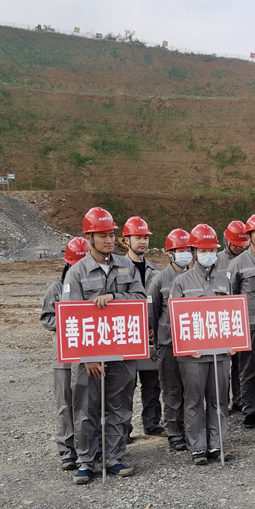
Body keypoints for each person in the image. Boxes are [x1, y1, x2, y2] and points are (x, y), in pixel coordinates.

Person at [62, 207, 146, 483]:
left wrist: (114, 297)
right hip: (90, 354)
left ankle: (114, 458)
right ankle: (86, 461)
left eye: (111, 234)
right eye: (103, 235)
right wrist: (87, 356)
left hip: (122, 349)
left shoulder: (127, 266)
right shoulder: (76, 272)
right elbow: (71, 317)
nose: (109, 240)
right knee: (86, 408)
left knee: (119, 407)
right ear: (89, 238)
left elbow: (140, 299)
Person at [169, 224, 231, 465]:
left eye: (212, 250)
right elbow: (174, 320)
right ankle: (197, 447)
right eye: (203, 250)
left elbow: (232, 313)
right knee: (194, 400)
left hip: (220, 352)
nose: (209, 255)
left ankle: (216, 445)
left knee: (219, 399)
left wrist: (233, 342)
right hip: (192, 355)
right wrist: (186, 347)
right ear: (194, 251)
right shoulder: (181, 282)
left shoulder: (224, 280)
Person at [40, 236, 90, 470]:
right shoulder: (56, 289)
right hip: (64, 355)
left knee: (88, 403)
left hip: (89, 354)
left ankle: (90, 448)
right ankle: (67, 451)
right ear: (68, 263)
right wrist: (69, 322)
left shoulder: (93, 287)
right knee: (65, 404)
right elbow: (47, 319)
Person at [146, 228, 192, 452]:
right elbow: (152, 314)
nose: (185, 253)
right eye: (180, 250)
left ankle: (190, 429)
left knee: (192, 390)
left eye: (187, 249)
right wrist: (160, 340)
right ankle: (174, 432)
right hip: (169, 344)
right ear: (170, 253)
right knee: (172, 390)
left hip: (192, 344)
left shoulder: (195, 278)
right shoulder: (159, 281)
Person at [227, 214, 255, 427]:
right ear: (249, 236)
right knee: (249, 370)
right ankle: (251, 410)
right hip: (251, 325)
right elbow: (231, 296)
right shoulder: (237, 264)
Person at [120, 217, 163, 437]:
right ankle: (123, 429)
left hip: (150, 335)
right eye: (138, 237)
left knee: (152, 382)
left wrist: (156, 327)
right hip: (126, 334)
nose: (143, 241)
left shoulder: (155, 270)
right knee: (125, 384)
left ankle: (152, 422)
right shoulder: (116, 268)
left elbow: (162, 303)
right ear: (126, 240)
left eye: (146, 237)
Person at [216, 220, 249, 412]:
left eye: (241, 245)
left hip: (241, 318)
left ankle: (240, 399)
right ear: (226, 240)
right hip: (222, 316)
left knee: (241, 363)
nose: (238, 248)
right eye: (235, 244)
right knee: (223, 363)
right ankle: (223, 401)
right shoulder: (216, 261)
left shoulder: (246, 260)